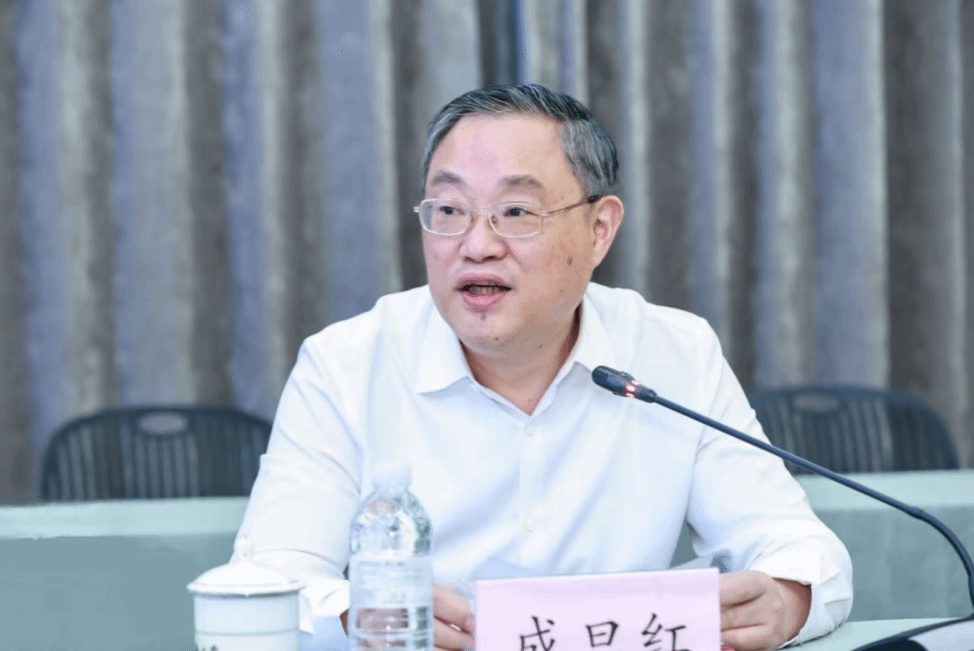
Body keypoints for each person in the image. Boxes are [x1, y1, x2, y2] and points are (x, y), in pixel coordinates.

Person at [234, 83, 853, 651]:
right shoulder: (346, 367)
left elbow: (797, 546)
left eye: (517, 212)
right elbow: (266, 582)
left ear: (599, 229)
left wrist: (785, 601)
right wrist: (356, 617)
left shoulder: (673, 353)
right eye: (448, 210)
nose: (477, 245)